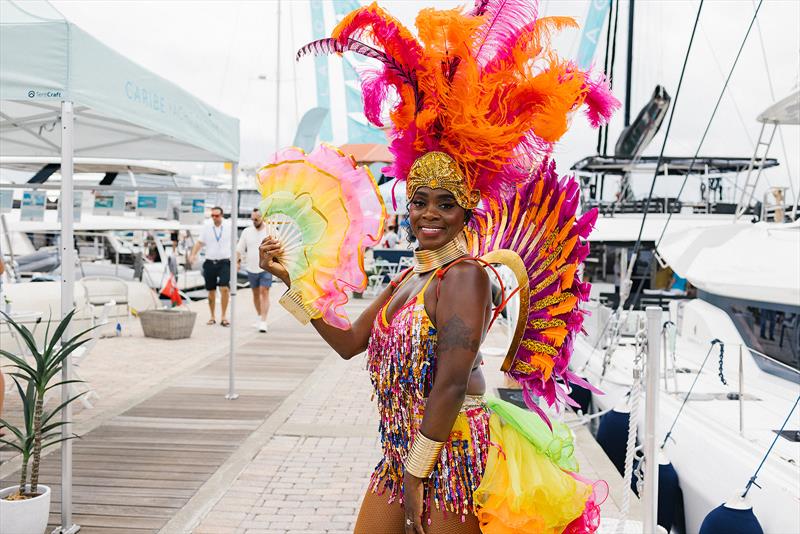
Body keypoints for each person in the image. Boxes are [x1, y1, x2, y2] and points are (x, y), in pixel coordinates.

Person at [263, 4, 616, 532]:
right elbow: (349, 343)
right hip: (399, 450)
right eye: (420, 200)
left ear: (466, 211)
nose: (429, 213)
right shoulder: (410, 278)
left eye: (445, 203)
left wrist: (417, 473)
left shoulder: (467, 276)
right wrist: (290, 288)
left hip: (449, 457)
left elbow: (451, 383)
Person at [189, 206, 232, 326]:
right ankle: (212, 316)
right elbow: (200, 242)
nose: (214, 218)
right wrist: (193, 255)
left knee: (224, 288)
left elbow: (235, 243)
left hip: (224, 261)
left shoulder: (229, 226)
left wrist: (237, 260)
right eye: (212, 216)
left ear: (221, 215)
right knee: (211, 291)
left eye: (217, 216)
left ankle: (223, 316)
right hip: (210, 262)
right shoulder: (207, 227)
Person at [237, 208, 271, 333]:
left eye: (256, 219)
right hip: (251, 267)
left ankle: (263, 320)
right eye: (252, 219)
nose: (254, 222)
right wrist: (236, 261)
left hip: (266, 267)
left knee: (264, 291)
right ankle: (259, 316)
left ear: (262, 218)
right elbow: (239, 248)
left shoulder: (270, 230)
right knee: (256, 294)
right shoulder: (247, 231)